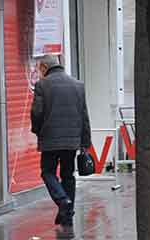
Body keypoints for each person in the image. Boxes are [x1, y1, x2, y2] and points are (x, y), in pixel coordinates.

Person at [30, 55, 92, 226]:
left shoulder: (42, 85)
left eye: (39, 68)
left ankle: (63, 201)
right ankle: (67, 214)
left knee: (48, 172)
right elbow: (84, 116)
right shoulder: (78, 85)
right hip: (72, 141)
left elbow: (36, 113)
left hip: (50, 139)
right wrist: (85, 142)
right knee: (67, 175)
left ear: (44, 67)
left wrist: (37, 130)